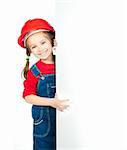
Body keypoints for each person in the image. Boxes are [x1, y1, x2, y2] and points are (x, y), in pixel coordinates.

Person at [18, 18, 70, 150]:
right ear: (30, 51)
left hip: (64, 119)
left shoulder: (64, 62)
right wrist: (52, 102)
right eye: (34, 47)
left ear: (52, 41)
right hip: (44, 122)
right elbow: (28, 97)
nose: (40, 49)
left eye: (43, 42)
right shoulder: (35, 72)